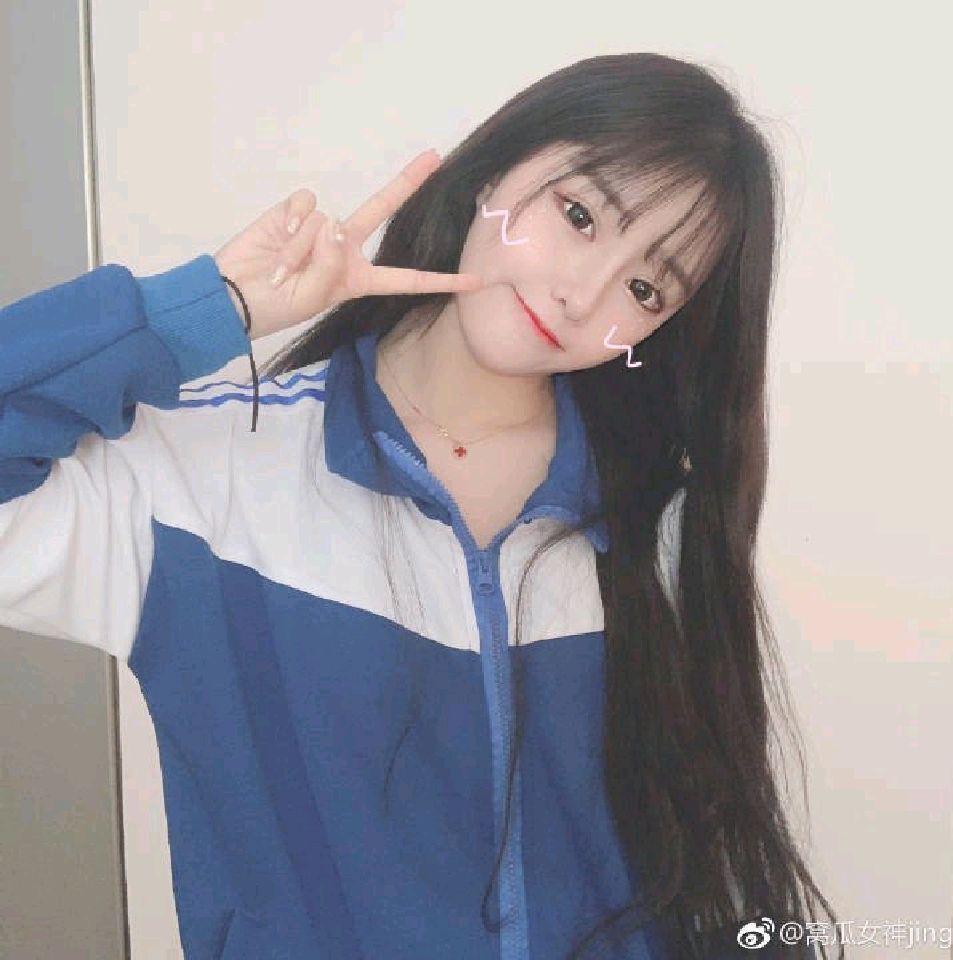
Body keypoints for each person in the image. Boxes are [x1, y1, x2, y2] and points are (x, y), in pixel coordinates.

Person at [0, 53, 838, 960]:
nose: (581, 294)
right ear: (492, 173)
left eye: (645, 289)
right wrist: (212, 309)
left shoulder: (653, 519)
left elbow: (712, 869)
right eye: (579, 215)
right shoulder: (205, 481)